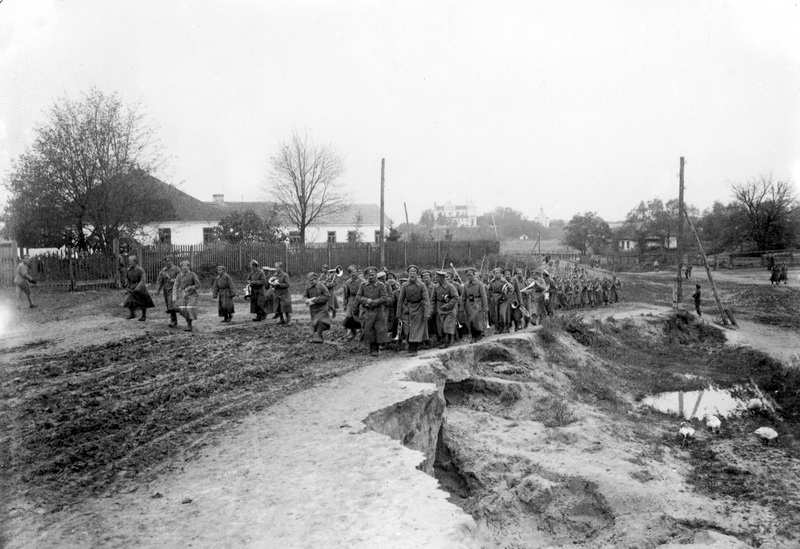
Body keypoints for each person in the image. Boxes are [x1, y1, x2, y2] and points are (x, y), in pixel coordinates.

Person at [396, 265, 431, 356]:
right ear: (408, 274)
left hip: (418, 308)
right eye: (410, 273)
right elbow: (400, 300)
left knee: (416, 329)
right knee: (407, 329)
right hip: (407, 309)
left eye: (414, 273)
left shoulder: (421, 285)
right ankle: (410, 347)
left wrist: (427, 313)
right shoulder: (405, 285)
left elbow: (426, 300)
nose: (412, 274)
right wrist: (398, 313)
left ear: (417, 274)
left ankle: (414, 349)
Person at [356, 266, 389, 356]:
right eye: (369, 275)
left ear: (376, 275)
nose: (371, 277)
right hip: (367, 311)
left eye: (373, 275)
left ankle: (376, 349)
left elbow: (384, 298)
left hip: (378, 311)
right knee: (369, 329)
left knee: (378, 329)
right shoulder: (363, 285)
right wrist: (366, 301)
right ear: (366, 276)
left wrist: (374, 302)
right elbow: (358, 297)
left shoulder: (381, 286)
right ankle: (371, 347)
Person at [123, 255, 155, 321]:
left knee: (143, 301)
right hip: (132, 287)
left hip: (140, 288)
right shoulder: (128, 270)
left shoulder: (140, 270)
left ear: (135, 262)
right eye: (129, 261)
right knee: (130, 301)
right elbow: (127, 278)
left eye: (131, 261)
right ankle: (132, 314)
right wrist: (128, 285)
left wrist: (137, 288)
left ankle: (143, 316)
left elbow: (143, 280)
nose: (129, 263)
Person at [461, 267, 488, 343]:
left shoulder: (479, 284)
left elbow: (483, 296)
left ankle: (478, 334)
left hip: (477, 303)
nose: (469, 277)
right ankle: (473, 335)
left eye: (471, 275)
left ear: (474, 274)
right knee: (470, 321)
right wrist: (462, 307)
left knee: (477, 320)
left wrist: (485, 307)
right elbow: (463, 297)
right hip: (469, 304)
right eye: (468, 275)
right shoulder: (466, 285)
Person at [303, 271, 332, 343]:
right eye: (310, 280)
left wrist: (316, 299)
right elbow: (305, 295)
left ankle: (319, 336)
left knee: (320, 321)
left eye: (313, 280)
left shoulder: (321, 286)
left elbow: (327, 296)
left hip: (322, 307)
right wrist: (306, 300)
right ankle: (318, 335)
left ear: (316, 279)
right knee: (315, 322)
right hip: (313, 308)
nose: (311, 282)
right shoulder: (308, 287)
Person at [173, 260, 201, 331]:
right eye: (182, 267)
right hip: (183, 295)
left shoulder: (193, 275)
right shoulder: (179, 276)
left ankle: (189, 325)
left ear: (188, 267)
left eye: (186, 266)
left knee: (189, 308)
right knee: (184, 310)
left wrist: (191, 287)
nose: (184, 268)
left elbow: (198, 285)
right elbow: (175, 286)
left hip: (192, 295)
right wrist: (174, 296)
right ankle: (188, 323)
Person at [433, 271, 459, 348]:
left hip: (449, 310)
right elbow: (432, 299)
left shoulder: (450, 286)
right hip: (440, 309)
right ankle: (444, 340)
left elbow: (455, 297)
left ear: (442, 278)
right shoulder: (436, 287)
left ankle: (446, 342)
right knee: (440, 326)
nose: (435, 278)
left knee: (447, 325)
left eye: (437, 277)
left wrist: (448, 305)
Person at [155, 256, 181, 327]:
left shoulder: (176, 269)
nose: (168, 263)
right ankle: (174, 319)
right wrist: (157, 290)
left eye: (169, 261)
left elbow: (182, 278)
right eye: (166, 261)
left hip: (174, 289)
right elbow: (159, 281)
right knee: (169, 305)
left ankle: (174, 320)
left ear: (172, 261)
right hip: (166, 290)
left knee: (171, 304)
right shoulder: (163, 271)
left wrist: (175, 280)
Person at [342, 265, 363, 340]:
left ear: (357, 272)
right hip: (351, 301)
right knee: (349, 317)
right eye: (351, 272)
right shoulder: (348, 282)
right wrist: (345, 303)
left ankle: (360, 333)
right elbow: (346, 294)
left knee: (358, 318)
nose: (353, 274)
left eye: (354, 272)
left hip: (360, 301)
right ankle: (352, 332)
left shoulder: (362, 282)